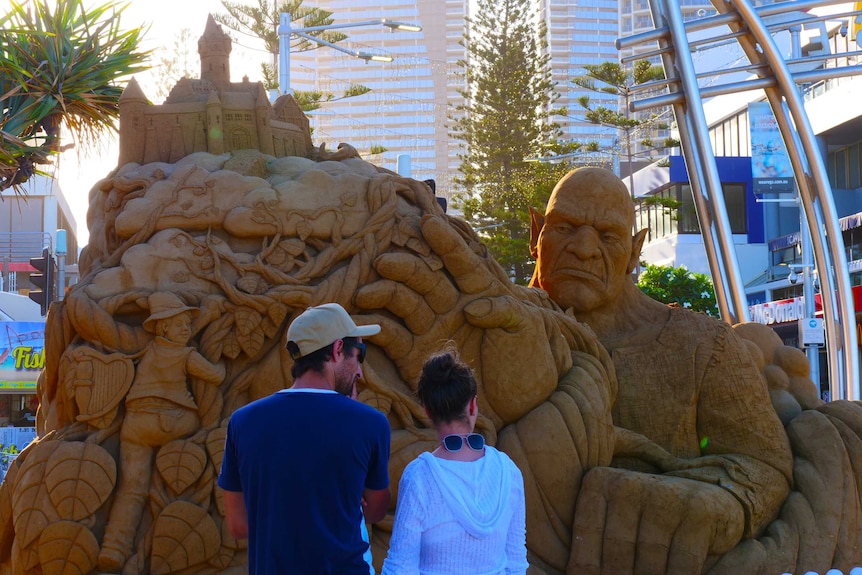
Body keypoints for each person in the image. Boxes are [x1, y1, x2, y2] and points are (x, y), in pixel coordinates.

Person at [525, 167, 794, 573]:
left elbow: (767, 469)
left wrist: (710, 505)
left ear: (635, 251)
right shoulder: (491, 329)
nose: (584, 248)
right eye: (565, 228)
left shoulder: (702, 345)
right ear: (536, 235)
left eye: (607, 235)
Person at [218, 302, 391, 575]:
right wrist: (340, 497)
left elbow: (238, 526)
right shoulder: (370, 423)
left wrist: (282, 504)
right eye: (359, 355)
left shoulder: (243, 421)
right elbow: (376, 510)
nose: (359, 370)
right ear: (337, 350)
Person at [99, 292, 225, 572]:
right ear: (163, 327)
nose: (186, 329)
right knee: (206, 432)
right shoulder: (186, 354)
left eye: (187, 324)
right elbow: (216, 376)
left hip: (136, 426)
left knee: (132, 489)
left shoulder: (148, 349)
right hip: (175, 423)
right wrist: (220, 363)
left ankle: (114, 548)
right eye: (180, 324)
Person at [381, 351, 528, 575]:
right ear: (472, 406)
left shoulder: (419, 476)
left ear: (428, 411)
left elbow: (401, 568)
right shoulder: (509, 471)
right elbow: (516, 564)